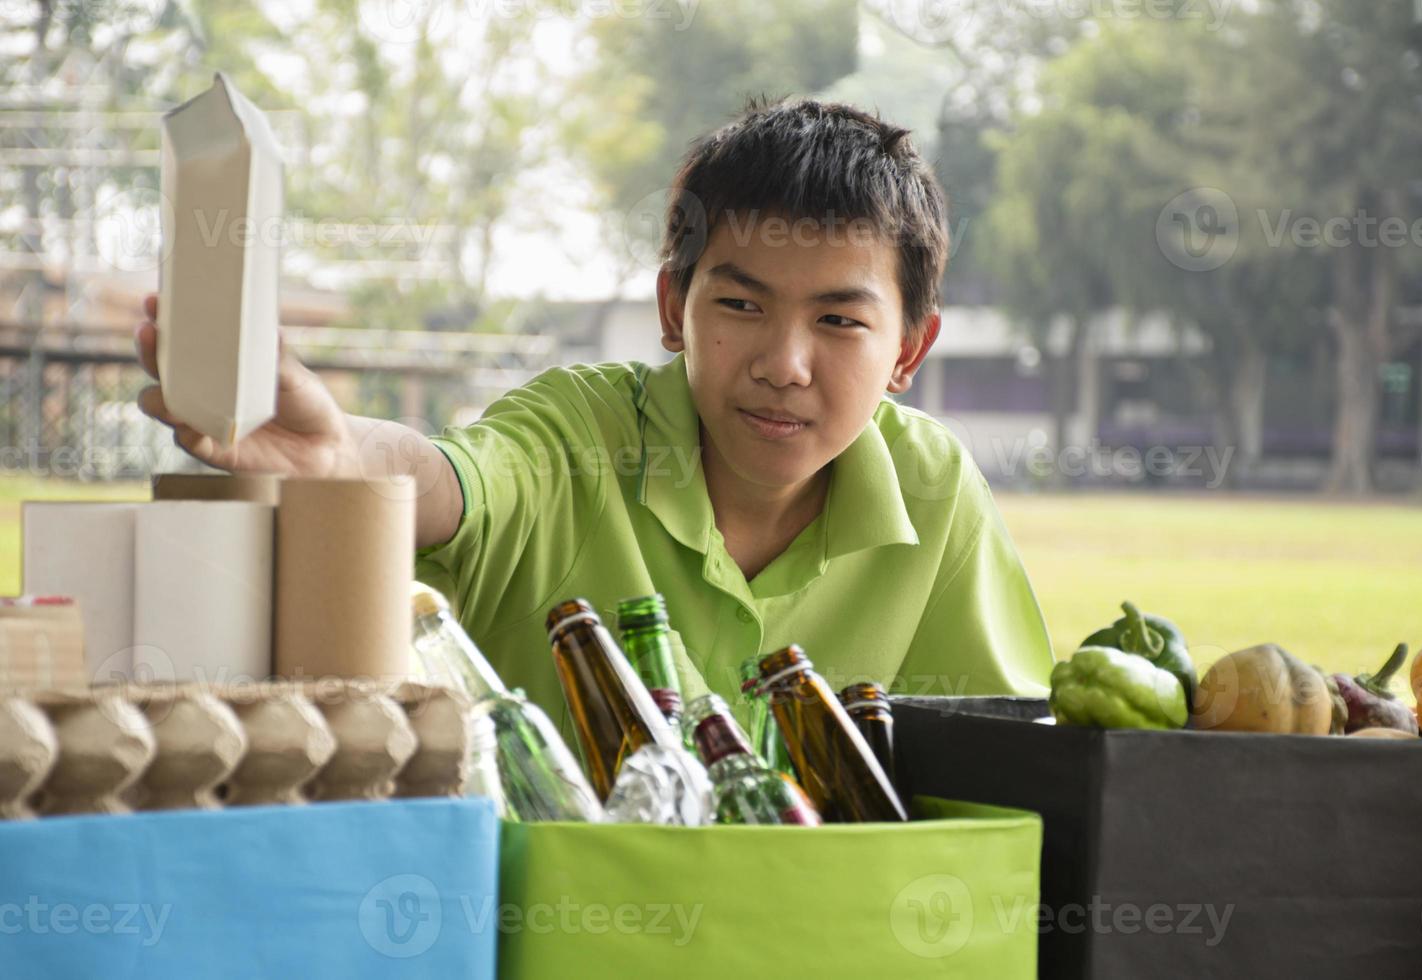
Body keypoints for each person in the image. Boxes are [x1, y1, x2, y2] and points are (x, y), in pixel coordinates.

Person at [136, 97, 1055, 719]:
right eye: (740, 305)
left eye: (839, 320)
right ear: (672, 311)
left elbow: (1006, 761)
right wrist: (339, 457)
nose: (784, 364)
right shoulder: (579, 436)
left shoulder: (934, 491)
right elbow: (455, 479)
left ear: (908, 350)